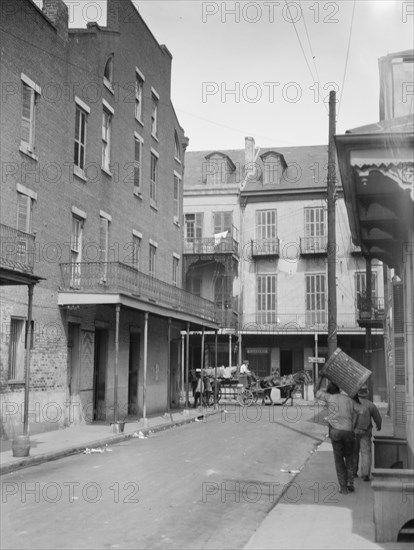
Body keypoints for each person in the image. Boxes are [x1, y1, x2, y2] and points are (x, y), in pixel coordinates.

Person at [315, 377, 363, 494]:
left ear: (330, 391)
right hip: (348, 432)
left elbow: (315, 391)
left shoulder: (329, 398)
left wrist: (321, 377)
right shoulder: (349, 400)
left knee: (339, 460)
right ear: (339, 390)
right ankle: (350, 482)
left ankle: (343, 487)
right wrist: (355, 396)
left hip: (335, 432)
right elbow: (361, 410)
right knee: (350, 458)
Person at [353, 385, 382, 481]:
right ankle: (365, 474)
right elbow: (378, 418)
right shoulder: (370, 405)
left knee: (354, 452)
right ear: (366, 394)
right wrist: (379, 425)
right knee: (365, 453)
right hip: (365, 432)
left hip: (353, 431)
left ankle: (353, 472)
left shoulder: (352, 403)